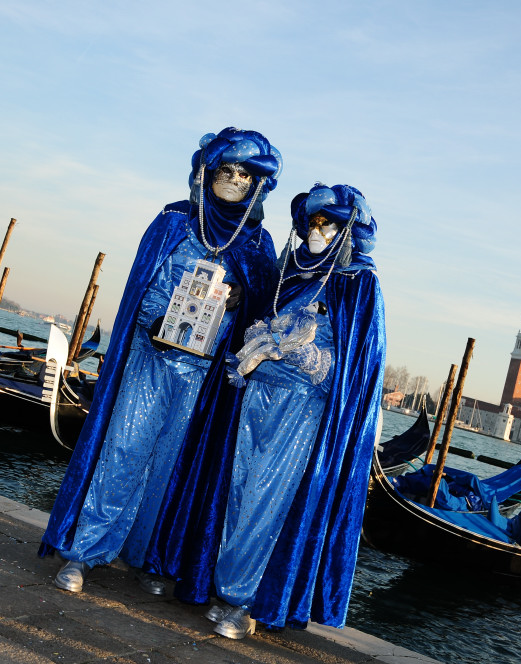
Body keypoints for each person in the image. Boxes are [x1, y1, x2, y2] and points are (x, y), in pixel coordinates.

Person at [38, 128, 282, 594]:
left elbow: (261, 315)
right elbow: (141, 286)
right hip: (151, 359)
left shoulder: (258, 245)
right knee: (124, 450)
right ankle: (85, 552)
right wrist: (156, 320)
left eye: (244, 173)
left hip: (204, 377)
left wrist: (237, 303)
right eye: (225, 169)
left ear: (258, 184)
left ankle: (149, 555)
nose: (233, 179)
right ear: (206, 172)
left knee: (174, 465)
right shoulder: (174, 221)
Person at [146, 183, 385, 639]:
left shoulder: (358, 282)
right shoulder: (291, 272)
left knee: (266, 502)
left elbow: (351, 370)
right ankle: (229, 592)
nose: (317, 230)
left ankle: (249, 601)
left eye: (327, 222)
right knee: (238, 494)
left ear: (348, 229)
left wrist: (295, 351)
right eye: (312, 222)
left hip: (301, 410)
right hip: (255, 397)